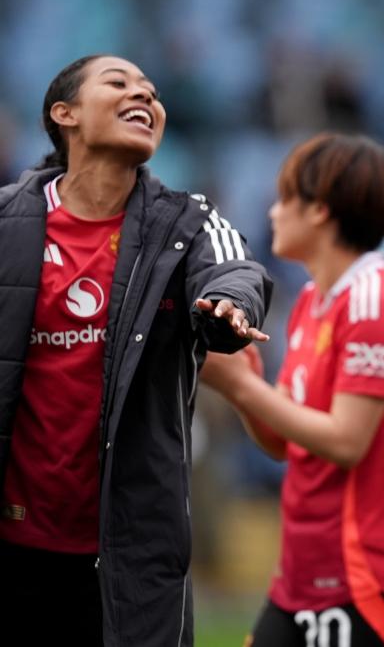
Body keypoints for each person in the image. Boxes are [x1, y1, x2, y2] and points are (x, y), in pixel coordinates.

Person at [0, 54, 272, 646]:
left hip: (133, 554)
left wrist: (231, 306)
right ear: (64, 114)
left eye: (151, 92)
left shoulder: (190, 222)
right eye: (118, 84)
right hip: (14, 548)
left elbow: (236, 269)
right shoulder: (7, 222)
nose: (144, 97)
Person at [201, 133, 384, 646]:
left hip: (366, 581)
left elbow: (346, 442)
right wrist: (241, 385)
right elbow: (284, 442)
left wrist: (243, 388)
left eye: (286, 197)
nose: (273, 212)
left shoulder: (375, 299)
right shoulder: (312, 301)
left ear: (320, 211)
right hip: (303, 578)